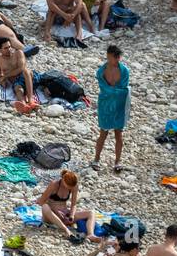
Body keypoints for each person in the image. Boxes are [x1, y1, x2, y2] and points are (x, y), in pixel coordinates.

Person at [92, 44, 131, 173]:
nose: (108, 60)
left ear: (117, 58)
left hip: (119, 105)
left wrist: (112, 92)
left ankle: (117, 161)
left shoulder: (124, 71)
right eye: (107, 57)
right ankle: (96, 159)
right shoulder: (101, 71)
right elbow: (105, 88)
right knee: (103, 133)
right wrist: (115, 91)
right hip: (105, 105)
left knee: (118, 134)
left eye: (110, 58)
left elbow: (124, 88)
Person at [38, 170, 97, 243]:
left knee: (91, 212)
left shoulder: (74, 186)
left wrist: (71, 215)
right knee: (45, 206)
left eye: (70, 187)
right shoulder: (54, 184)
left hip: (65, 215)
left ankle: (91, 234)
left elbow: (74, 204)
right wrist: (56, 211)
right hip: (52, 215)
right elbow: (41, 201)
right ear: (63, 180)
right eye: (68, 186)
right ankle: (66, 230)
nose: (69, 188)